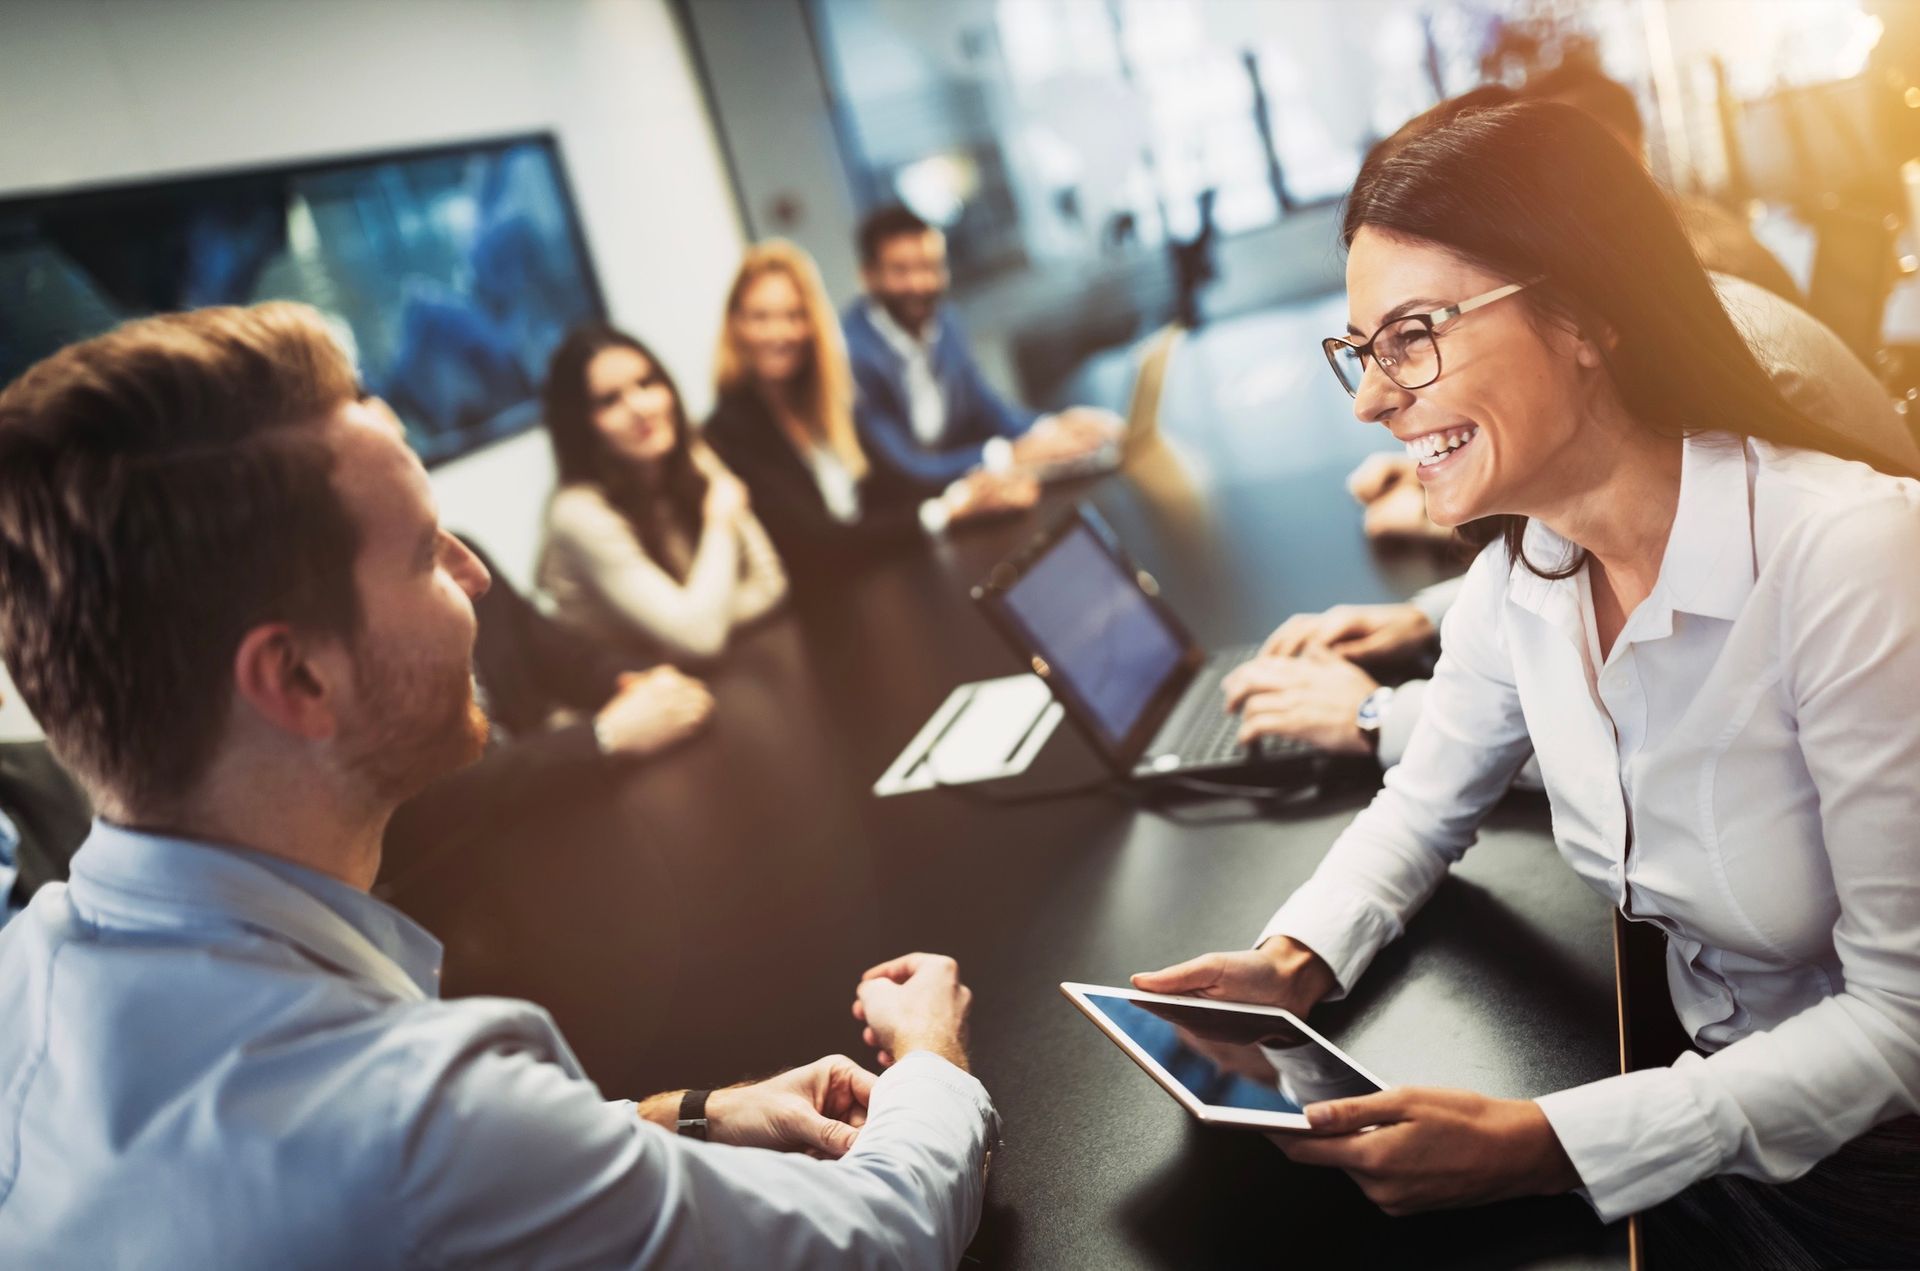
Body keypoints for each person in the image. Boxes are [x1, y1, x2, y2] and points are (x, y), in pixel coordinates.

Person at [0, 302, 996, 1268]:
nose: (475, 573)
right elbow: (883, 1237)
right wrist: (925, 1059)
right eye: (428, 549)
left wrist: (691, 1116)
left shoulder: (29, 965)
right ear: (300, 676)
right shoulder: (415, 1117)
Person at [1137, 102, 1920, 1266]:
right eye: (1362, 349)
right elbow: (1423, 802)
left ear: (1585, 314)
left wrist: (1547, 1141)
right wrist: (1291, 959)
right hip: (1707, 1103)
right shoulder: (1532, 563)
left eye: (1413, 333)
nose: (1370, 397)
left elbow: (1901, 1027)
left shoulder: (1847, 557)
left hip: (1870, 1171)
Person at [381, 535, 715, 889]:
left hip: (545, 839)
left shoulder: (459, 560)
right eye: (423, 537)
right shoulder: (364, 640)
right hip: (459, 885)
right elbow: (419, 810)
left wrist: (644, 682)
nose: (477, 576)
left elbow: (563, 656)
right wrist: (601, 737)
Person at [704, 239, 1037, 573]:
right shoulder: (729, 431)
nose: (780, 333)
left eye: (793, 315)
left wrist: (975, 492)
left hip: (885, 575)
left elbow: (893, 482)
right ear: (736, 325)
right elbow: (816, 543)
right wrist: (944, 513)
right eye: (760, 317)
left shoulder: (828, 401)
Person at [538, 324, 787, 663]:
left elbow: (771, 583)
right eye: (609, 400)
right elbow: (700, 638)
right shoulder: (577, 513)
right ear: (580, 425)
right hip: (632, 697)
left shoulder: (691, 455)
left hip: (698, 672)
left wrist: (690, 626)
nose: (640, 407)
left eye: (647, 383)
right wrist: (720, 522)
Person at [842, 204, 1120, 490]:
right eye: (901, 271)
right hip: (907, 512)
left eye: (931, 267)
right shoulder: (851, 353)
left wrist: (1054, 428)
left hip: (968, 490)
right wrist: (1009, 455)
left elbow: (986, 408)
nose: (921, 283)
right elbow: (907, 468)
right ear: (868, 276)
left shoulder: (945, 321)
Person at [1520, 59, 1805, 304]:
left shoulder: (1701, 265)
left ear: (1613, 151)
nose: (1538, 184)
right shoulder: (1679, 226)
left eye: (1552, 160)